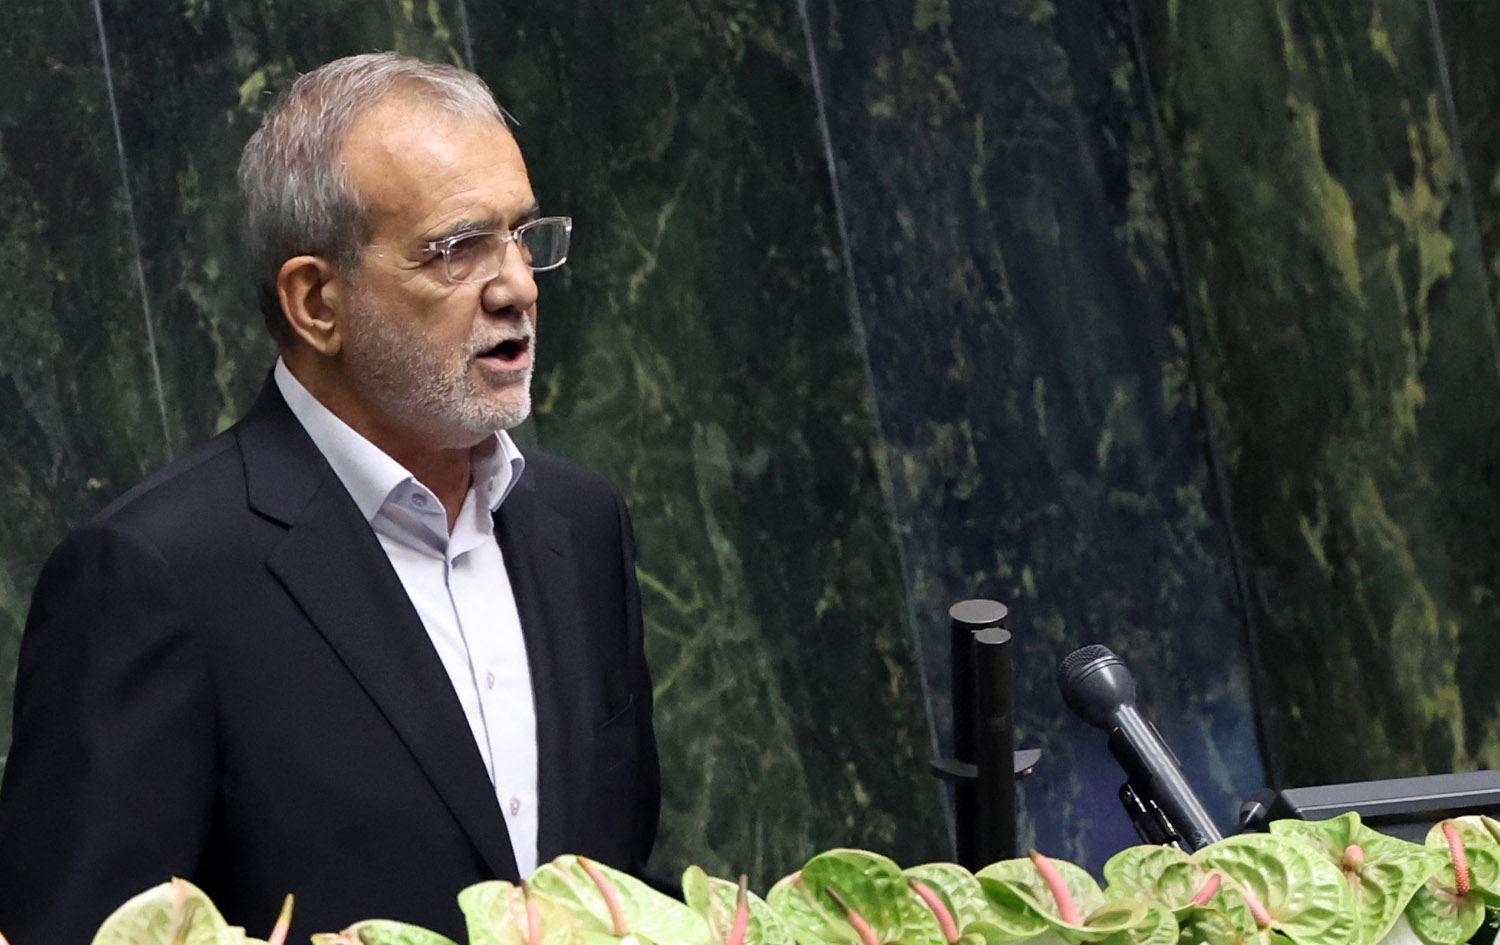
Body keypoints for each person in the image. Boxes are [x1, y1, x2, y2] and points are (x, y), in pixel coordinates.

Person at [0, 53, 659, 943]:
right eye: (460, 248)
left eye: (521, 234)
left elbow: (620, 879)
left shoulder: (581, 526)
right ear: (316, 302)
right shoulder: (154, 576)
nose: (519, 286)